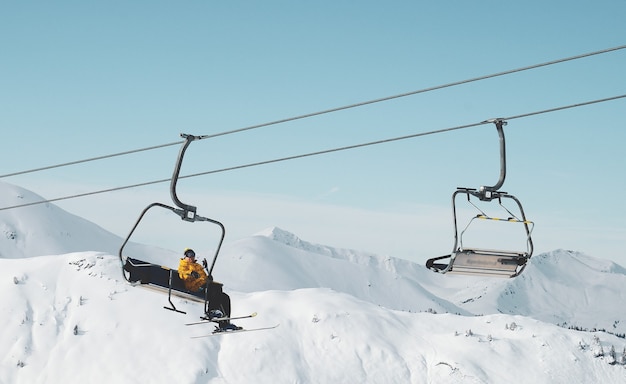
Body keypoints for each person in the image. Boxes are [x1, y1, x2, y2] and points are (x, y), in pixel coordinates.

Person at [178, 248, 241, 331]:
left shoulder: (198, 266)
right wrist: (191, 274)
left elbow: (203, 277)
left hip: (203, 285)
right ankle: (211, 311)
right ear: (185, 256)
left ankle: (224, 323)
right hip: (194, 287)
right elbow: (182, 274)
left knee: (224, 297)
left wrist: (208, 278)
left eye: (193, 254)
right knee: (215, 288)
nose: (191, 257)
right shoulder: (184, 265)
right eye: (189, 255)